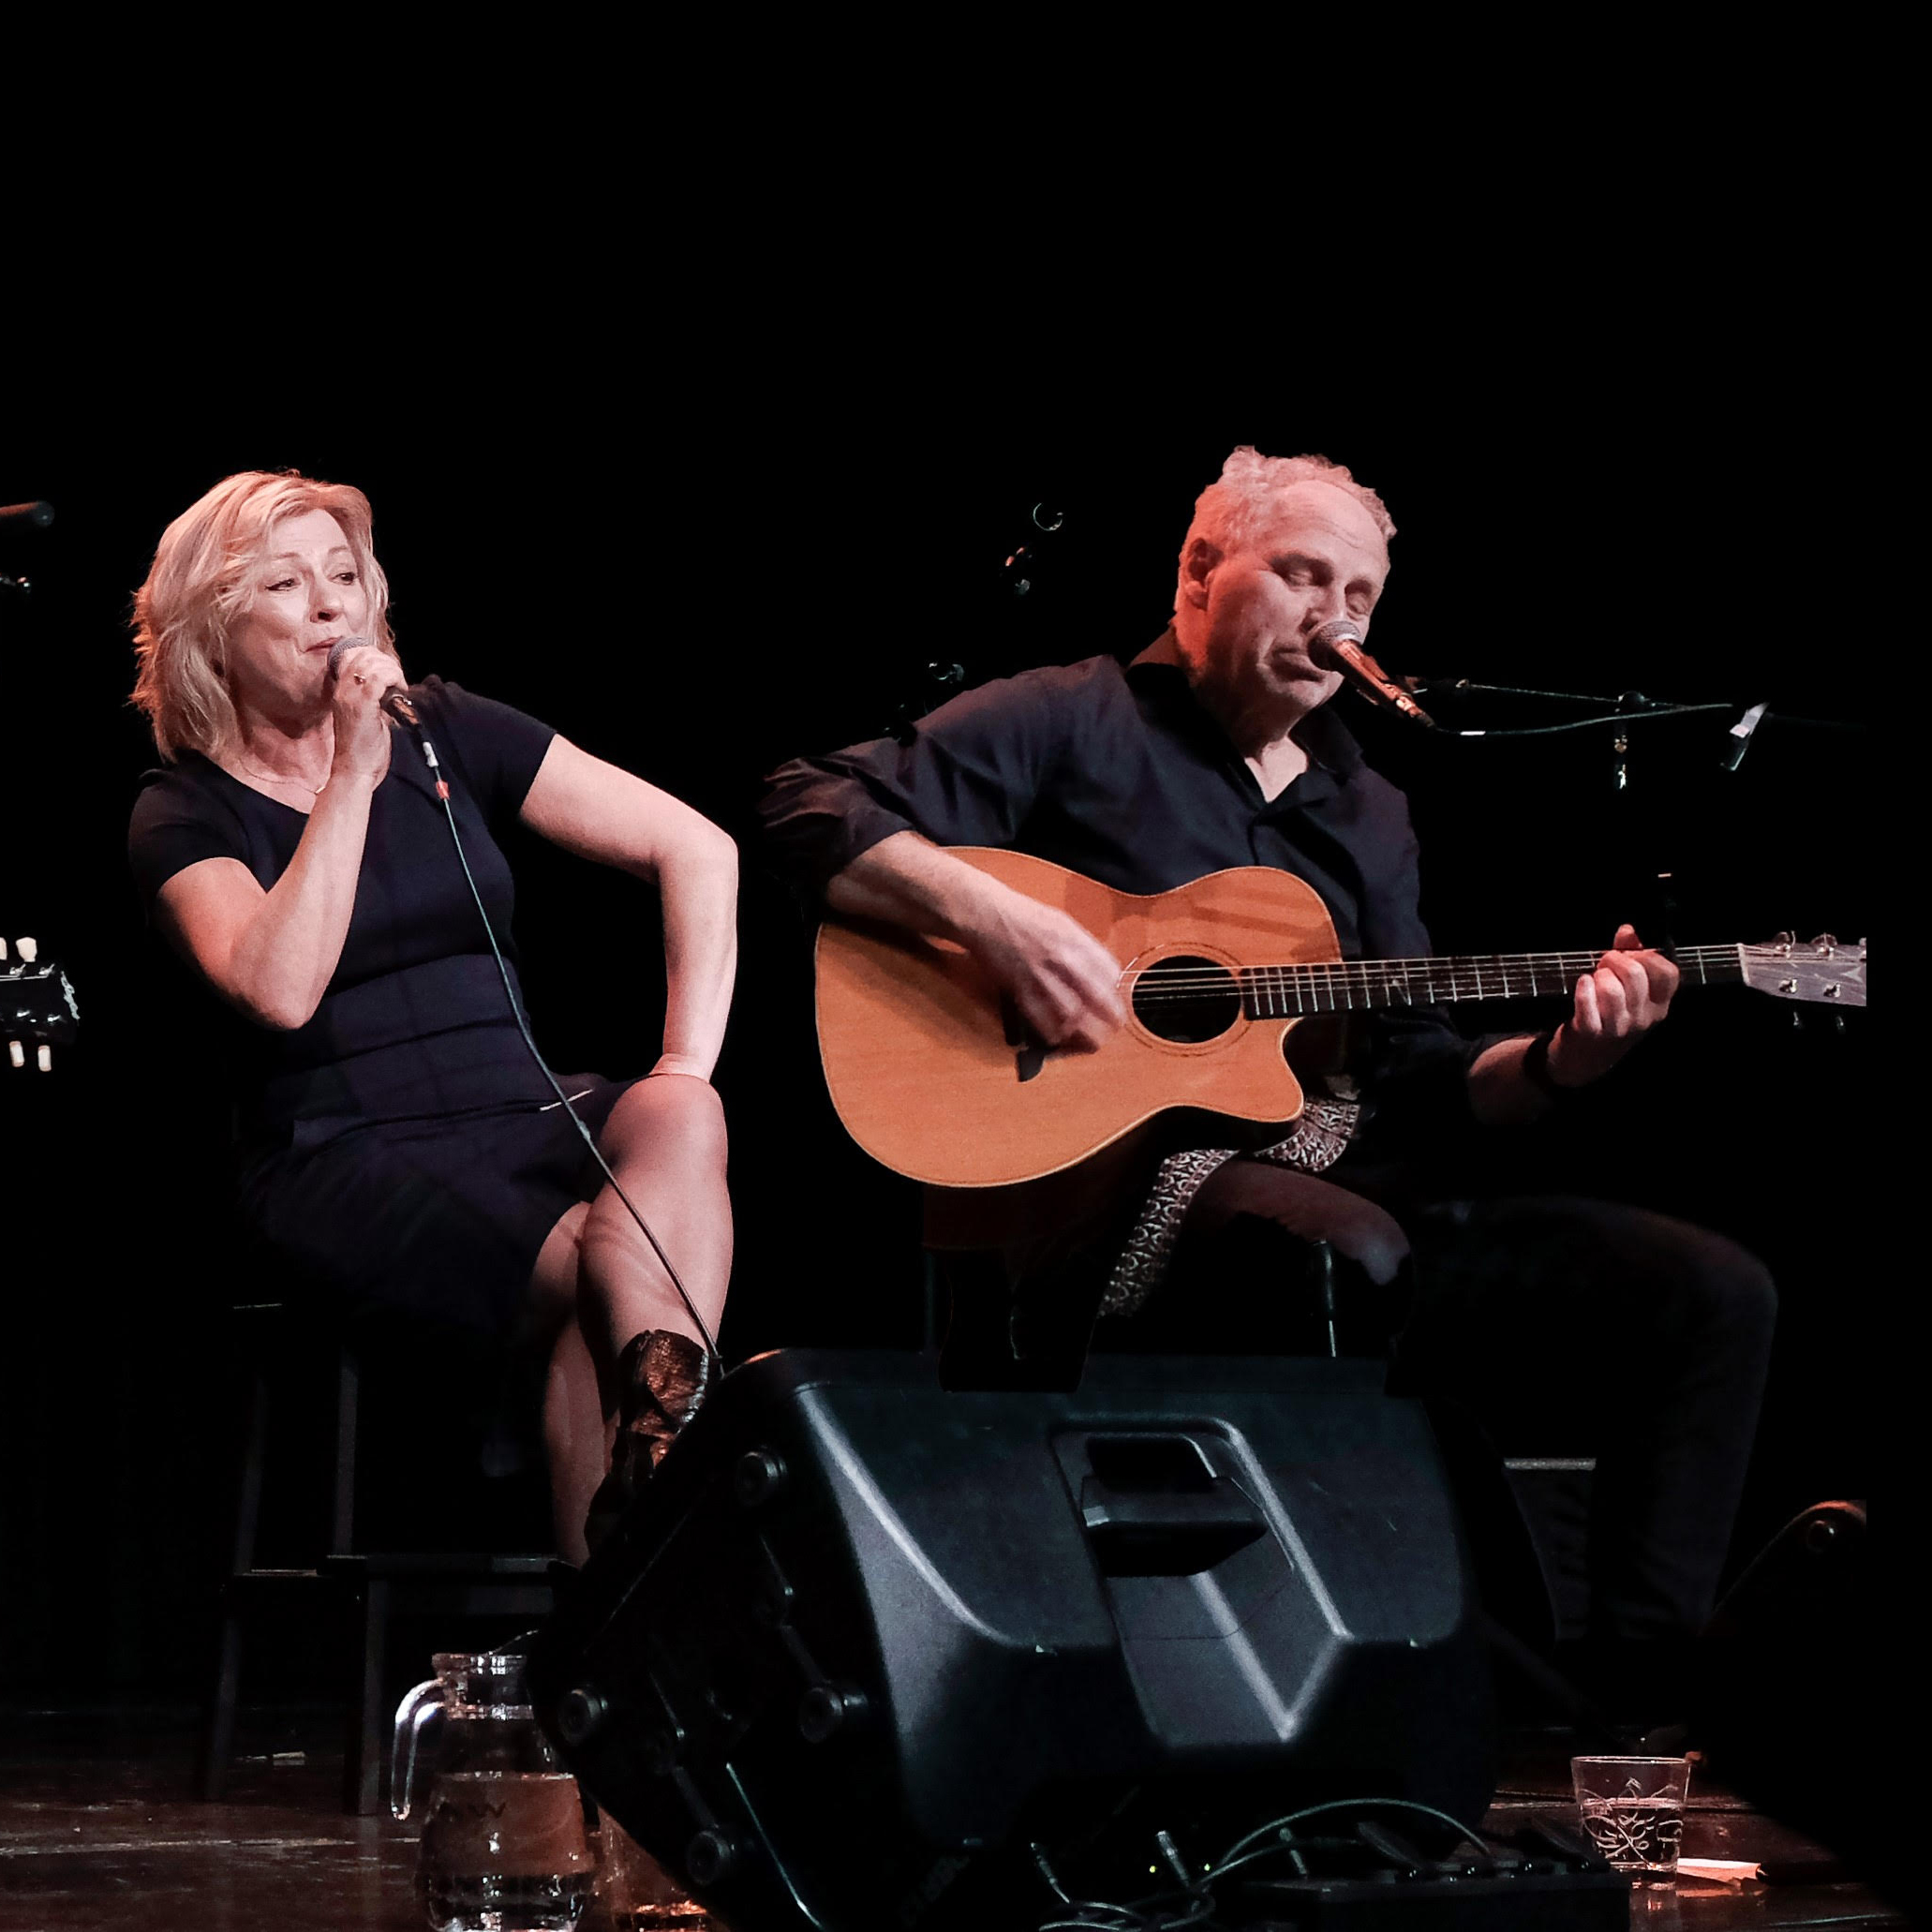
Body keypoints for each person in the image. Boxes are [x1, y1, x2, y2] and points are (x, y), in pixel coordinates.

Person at [761, 447, 1776, 1722]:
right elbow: (806, 802)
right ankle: (1360, 1684)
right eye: (1303, 575)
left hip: (1335, 1176)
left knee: (1707, 1292)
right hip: (1090, 1192)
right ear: (1199, 571)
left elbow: (1424, 1079)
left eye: (1359, 596)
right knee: (1337, 1248)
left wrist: (1565, 1062)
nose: (1335, 619)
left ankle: (1638, 1707)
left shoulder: (1368, 808)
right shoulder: (1070, 715)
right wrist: (1000, 922)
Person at [127, 470, 735, 1564]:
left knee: (683, 1112)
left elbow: (697, 846)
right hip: (341, 1151)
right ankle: (622, 1604)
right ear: (212, 633)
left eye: (345, 575)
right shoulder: (183, 811)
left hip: (521, 1112)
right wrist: (350, 776)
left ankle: (658, 1448)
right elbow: (278, 988)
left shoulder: (446, 725)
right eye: (286, 584)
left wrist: (684, 1057)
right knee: (594, 1273)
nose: (331, 605)